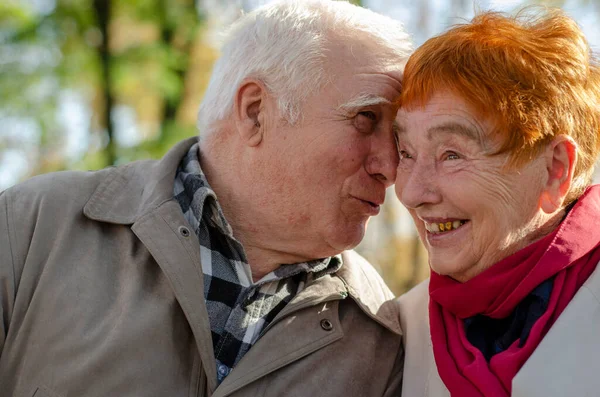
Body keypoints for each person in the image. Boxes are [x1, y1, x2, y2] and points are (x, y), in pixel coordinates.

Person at [0, 1, 412, 396]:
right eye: (365, 119)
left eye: (398, 137)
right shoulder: (32, 231)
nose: (390, 168)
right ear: (255, 112)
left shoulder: (386, 331)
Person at [394, 8, 600, 397]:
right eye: (405, 152)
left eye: (451, 154)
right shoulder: (400, 328)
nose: (411, 194)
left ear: (555, 168)